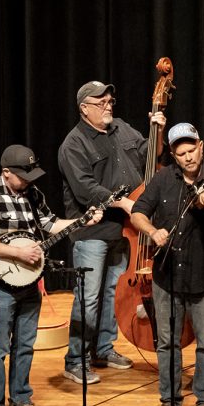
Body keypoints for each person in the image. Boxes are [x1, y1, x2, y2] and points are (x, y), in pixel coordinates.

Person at [0, 144, 101, 406]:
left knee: (25, 344)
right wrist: (17, 254)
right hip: (0, 284)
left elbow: (50, 224)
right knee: (0, 347)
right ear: (6, 173)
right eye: (23, 175)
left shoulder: (32, 194)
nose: (29, 180)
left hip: (28, 281)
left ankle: (20, 401)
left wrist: (82, 221)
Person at [57, 80, 165, 384]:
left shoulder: (120, 127)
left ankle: (103, 349)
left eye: (109, 101)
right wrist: (125, 203)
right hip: (92, 231)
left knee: (112, 294)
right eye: (100, 103)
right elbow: (86, 189)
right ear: (84, 109)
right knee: (88, 297)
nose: (108, 107)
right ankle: (75, 360)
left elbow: (149, 156)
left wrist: (157, 132)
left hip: (124, 231)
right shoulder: (73, 144)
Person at [130, 123, 204, 406]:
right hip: (166, 273)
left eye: (192, 150)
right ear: (174, 155)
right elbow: (138, 212)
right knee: (166, 343)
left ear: (201, 146)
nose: (188, 157)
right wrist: (152, 230)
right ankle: (169, 403)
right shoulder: (163, 179)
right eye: (181, 153)